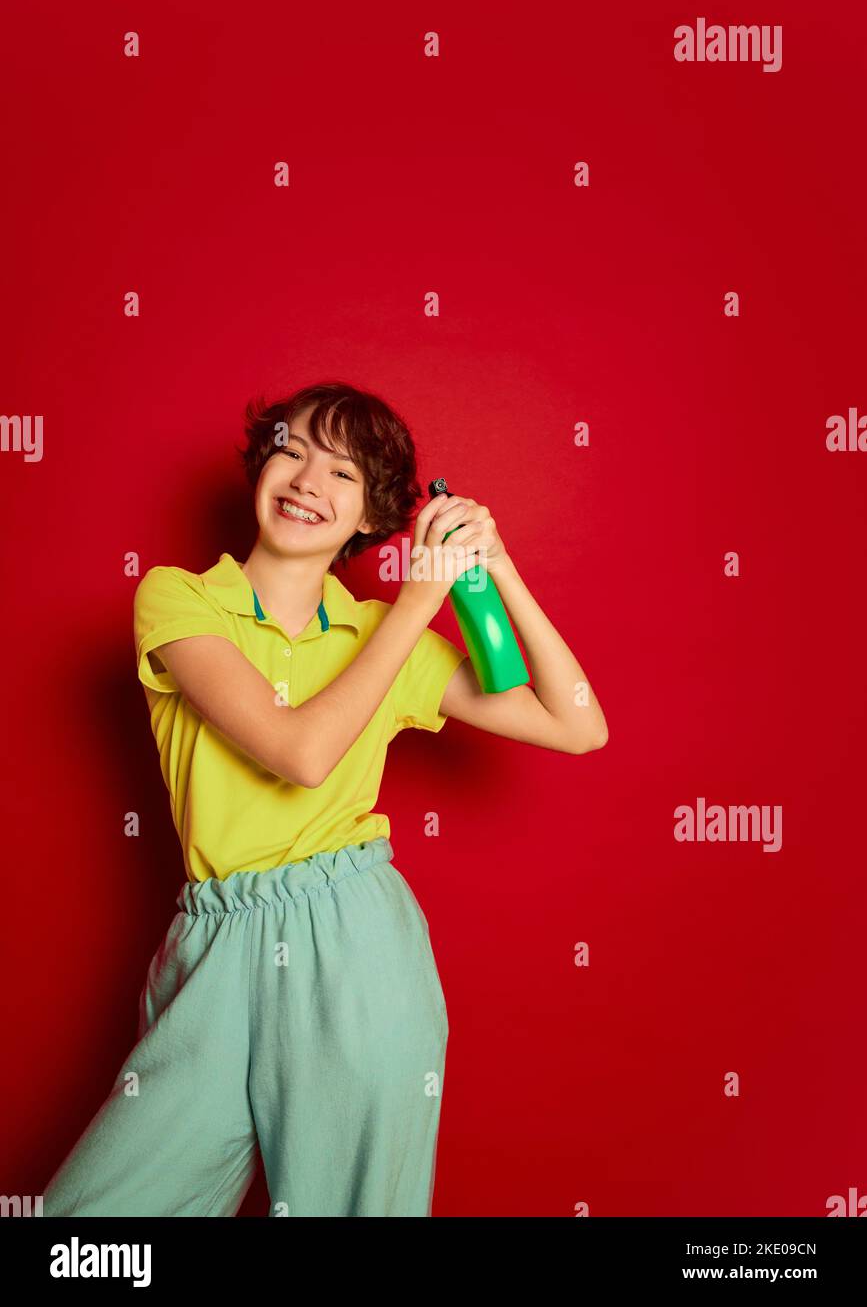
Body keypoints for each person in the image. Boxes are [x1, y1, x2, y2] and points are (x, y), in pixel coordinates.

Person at [42, 380, 608, 1218]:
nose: (309, 479)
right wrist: (418, 602)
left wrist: (500, 572)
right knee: (93, 1225)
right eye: (293, 448)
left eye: (344, 473)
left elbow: (577, 724)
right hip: (212, 948)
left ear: (374, 514)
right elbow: (300, 753)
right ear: (261, 465)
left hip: (353, 940)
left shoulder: (383, 633)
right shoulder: (179, 600)